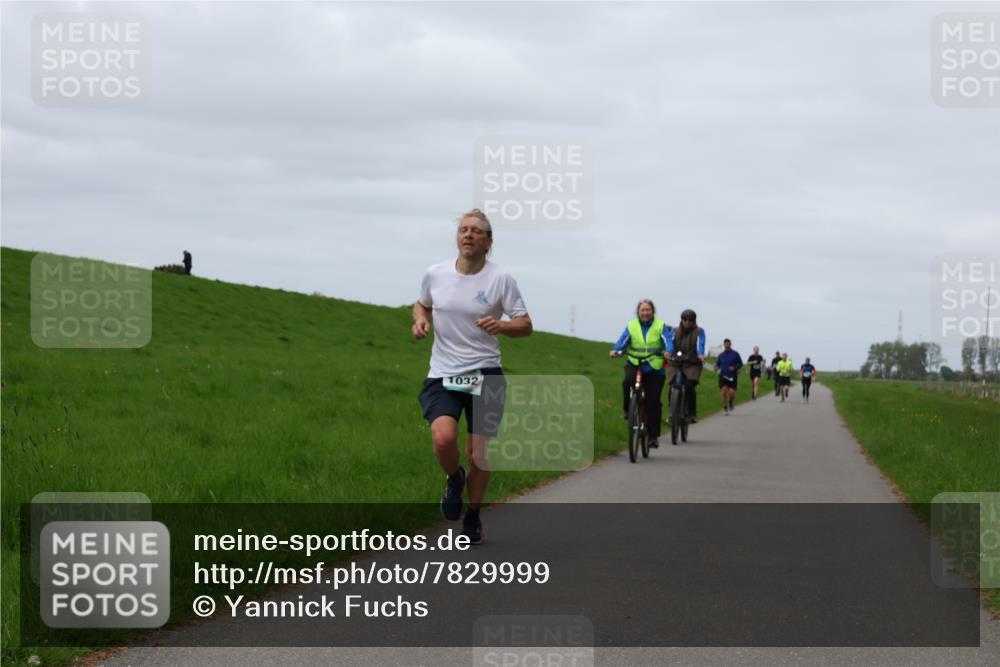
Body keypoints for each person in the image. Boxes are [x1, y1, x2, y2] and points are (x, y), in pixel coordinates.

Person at [412, 209, 532, 544]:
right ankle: (454, 478)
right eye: (463, 230)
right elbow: (422, 304)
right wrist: (420, 319)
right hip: (444, 373)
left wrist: (502, 325)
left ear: (488, 242)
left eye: (476, 231)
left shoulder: (501, 279)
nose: (468, 234)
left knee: (478, 453)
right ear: (457, 237)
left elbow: (525, 325)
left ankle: (474, 515)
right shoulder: (435, 273)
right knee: (443, 439)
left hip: (485, 373)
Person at [610, 299, 670, 448]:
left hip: (654, 366)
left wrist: (668, 351)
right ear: (638, 312)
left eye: (648, 310)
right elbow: (623, 340)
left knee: (653, 401)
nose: (645, 313)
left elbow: (668, 340)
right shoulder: (632, 325)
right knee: (627, 381)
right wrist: (616, 350)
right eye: (642, 310)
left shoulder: (660, 325)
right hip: (635, 362)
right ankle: (627, 410)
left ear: (653, 312)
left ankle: (653, 437)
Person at [666, 309, 706, 425]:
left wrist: (700, 354)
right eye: (685, 319)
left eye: (690, 320)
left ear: (694, 321)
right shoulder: (675, 331)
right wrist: (668, 352)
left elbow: (700, 343)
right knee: (672, 386)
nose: (687, 322)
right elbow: (670, 342)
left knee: (689, 386)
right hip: (675, 362)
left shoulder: (699, 331)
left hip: (691, 363)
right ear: (682, 320)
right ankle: (672, 412)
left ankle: (691, 413)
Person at [713, 339, 743, 415]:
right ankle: (725, 408)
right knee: (723, 391)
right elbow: (718, 364)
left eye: (727, 343)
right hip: (723, 376)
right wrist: (716, 367)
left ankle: (730, 401)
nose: (726, 344)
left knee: (732, 393)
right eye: (725, 343)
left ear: (730, 344)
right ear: (724, 344)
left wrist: (734, 367)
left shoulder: (735, 354)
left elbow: (740, 364)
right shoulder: (721, 355)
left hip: (732, 376)